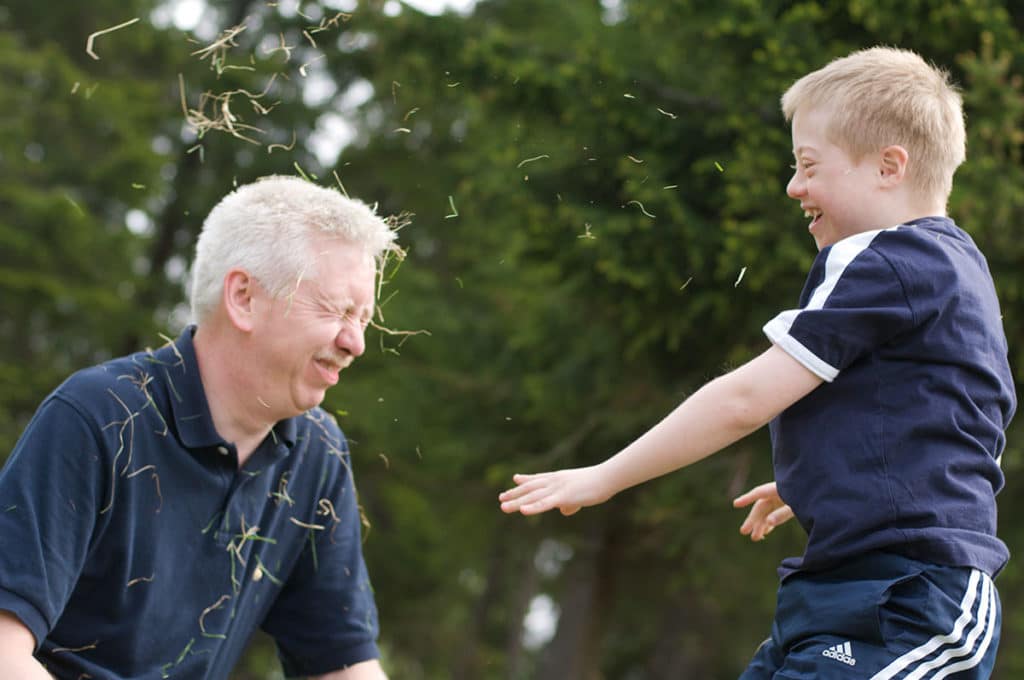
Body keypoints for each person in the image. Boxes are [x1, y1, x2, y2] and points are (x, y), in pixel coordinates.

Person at [500, 47, 1015, 679]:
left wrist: (606, 475)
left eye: (808, 166)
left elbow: (743, 400)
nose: (794, 186)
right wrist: (836, 475)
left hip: (909, 602)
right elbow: (951, 410)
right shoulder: (953, 268)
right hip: (841, 593)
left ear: (889, 167)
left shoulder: (883, 260)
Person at [0, 175, 398, 679]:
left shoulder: (317, 452)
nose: (355, 342)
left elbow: (342, 666)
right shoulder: (98, 414)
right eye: (335, 309)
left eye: (362, 318)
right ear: (244, 297)